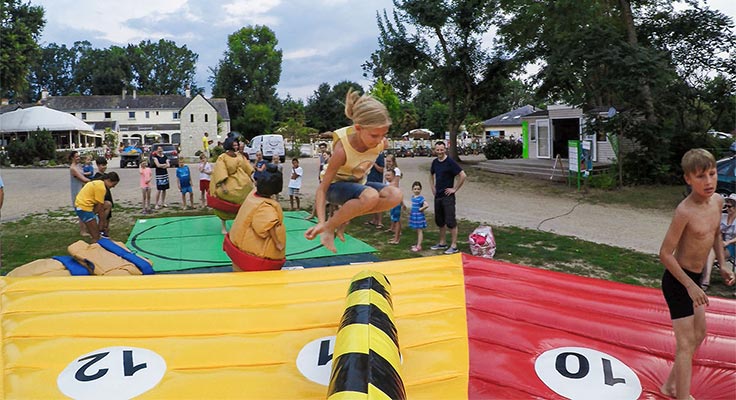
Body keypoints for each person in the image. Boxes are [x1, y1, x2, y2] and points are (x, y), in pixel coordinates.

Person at [658, 149, 735, 400]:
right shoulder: (685, 211)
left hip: (695, 280)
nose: (709, 181)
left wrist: (722, 264)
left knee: (699, 334)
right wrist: (690, 287)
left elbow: (714, 234)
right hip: (678, 281)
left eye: (712, 174)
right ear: (688, 179)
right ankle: (681, 396)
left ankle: (670, 386)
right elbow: (665, 254)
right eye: (701, 176)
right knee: (685, 342)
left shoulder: (718, 203)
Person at [304, 89, 402, 253]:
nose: (380, 140)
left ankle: (342, 218)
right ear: (358, 128)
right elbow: (322, 188)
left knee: (395, 195)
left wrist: (348, 213)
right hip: (334, 188)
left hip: (357, 186)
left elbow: (378, 145)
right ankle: (329, 227)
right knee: (370, 195)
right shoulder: (342, 149)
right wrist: (321, 221)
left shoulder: (380, 142)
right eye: (374, 135)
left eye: (384, 134)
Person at [224, 164, 286, 271]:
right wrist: (278, 243)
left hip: (239, 248)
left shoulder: (253, 195)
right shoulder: (264, 207)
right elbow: (268, 226)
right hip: (253, 256)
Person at [210, 137, 255, 234]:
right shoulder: (222, 157)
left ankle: (241, 224)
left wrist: (253, 178)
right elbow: (220, 172)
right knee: (224, 201)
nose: (236, 146)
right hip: (228, 183)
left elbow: (247, 167)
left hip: (242, 184)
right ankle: (223, 225)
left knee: (245, 202)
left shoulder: (240, 156)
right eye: (234, 145)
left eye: (237, 144)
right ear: (229, 145)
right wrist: (223, 186)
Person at [429, 141, 467, 254]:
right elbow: (431, 175)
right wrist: (432, 188)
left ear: (445, 149)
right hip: (438, 196)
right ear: (435, 150)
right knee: (440, 221)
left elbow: (463, 175)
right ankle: (442, 242)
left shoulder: (450, 162)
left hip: (448, 196)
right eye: (437, 150)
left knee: (450, 221)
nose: (439, 152)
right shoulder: (435, 162)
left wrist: (454, 189)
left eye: (441, 150)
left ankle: (454, 245)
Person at [702, 193, 736, 291]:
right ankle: (706, 278)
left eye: (730, 206)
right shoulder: (722, 217)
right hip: (718, 244)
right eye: (727, 205)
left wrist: (728, 242)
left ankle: (705, 279)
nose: (728, 208)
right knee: (711, 250)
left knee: (712, 252)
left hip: (732, 246)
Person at [74, 172, 120, 243]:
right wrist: (102, 224)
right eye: (113, 184)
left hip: (82, 205)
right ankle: (94, 247)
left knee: (107, 204)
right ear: (108, 180)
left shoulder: (98, 182)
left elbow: (101, 206)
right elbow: (100, 208)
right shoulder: (101, 188)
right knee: (96, 237)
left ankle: (94, 228)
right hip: (84, 208)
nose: (113, 187)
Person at [69, 151, 91, 236]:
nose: (78, 158)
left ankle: (87, 229)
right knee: (80, 210)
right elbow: (83, 179)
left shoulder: (79, 166)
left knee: (86, 208)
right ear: (72, 158)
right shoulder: (73, 168)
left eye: (79, 156)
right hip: (77, 191)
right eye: (76, 157)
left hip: (82, 189)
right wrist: (95, 181)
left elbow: (84, 174)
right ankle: (83, 231)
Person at [92, 157, 114, 234]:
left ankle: (106, 229)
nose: (104, 167)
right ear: (98, 165)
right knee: (102, 215)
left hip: (108, 197)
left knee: (108, 216)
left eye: (105, 165)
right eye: (102, 165)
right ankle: (101, 228)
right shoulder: (97, 177)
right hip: (102, 199)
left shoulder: (106, 175)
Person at [364, 152, 385, 229]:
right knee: (372, 201)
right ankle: (374, 219)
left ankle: (379, 222)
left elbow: (382, 170)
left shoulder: (379, 156)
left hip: (377, 181)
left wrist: (373, 164)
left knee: (378, 202)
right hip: (369, 180)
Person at [385, 168, 404, 244]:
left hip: (395, 204)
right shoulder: (390, 184)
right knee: (395, 220)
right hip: (393, 204)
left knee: (397, 221)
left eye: (389, 175)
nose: (387, 177)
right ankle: (396, 237)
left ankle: (396, 239)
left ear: (393, 176)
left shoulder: (393, 185)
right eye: (386, 175)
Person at [408, 181, 429, 252]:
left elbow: (426, 205)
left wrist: (421, 209)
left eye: (418, 189)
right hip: (414, 215)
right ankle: (417, 244)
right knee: (417, 230)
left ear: (421, 189)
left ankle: (419, 246)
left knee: (420, 231)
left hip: (419, 216)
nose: (417, 190)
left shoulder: (421, 198)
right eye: (415, 189)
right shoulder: (413, 197)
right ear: (412, 189)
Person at [151, 145, 170, 209]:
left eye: (161, 149)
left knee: (164, 189)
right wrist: (164, 165)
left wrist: (164, 165)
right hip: (159, 175)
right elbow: (158, 165)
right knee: (159, 189)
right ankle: (156, 204)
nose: (160, 150)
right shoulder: (155, 157)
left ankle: (163, 202)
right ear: (157, 150)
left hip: (165, 174)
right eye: (158, 149)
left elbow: (168, 165)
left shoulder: (165, 157)